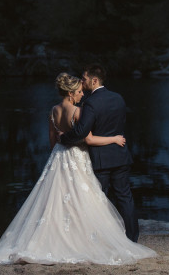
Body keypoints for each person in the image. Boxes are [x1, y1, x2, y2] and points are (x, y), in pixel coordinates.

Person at [0, 73, 157, 265]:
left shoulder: (53, 110)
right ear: (70, 94)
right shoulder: (78, 112)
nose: (81, 95)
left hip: (58, 158)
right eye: (78, 92)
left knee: (56, 200)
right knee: (83, 199)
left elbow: (53, 142)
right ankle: (83, 240)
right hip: (76, 157)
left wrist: (59, 154)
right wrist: (114, 139)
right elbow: (88, 139)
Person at [60, 64, 140, 242]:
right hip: (120, 154)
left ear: (94, 80)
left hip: (100, 159)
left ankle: (98, 240)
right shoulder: (118, 98)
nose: (82, 81)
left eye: (84, 78)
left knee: (98, 200)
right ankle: (133, 238)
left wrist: (64, 138)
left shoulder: (91, 102)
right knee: (125, 197)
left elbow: (81, 131)